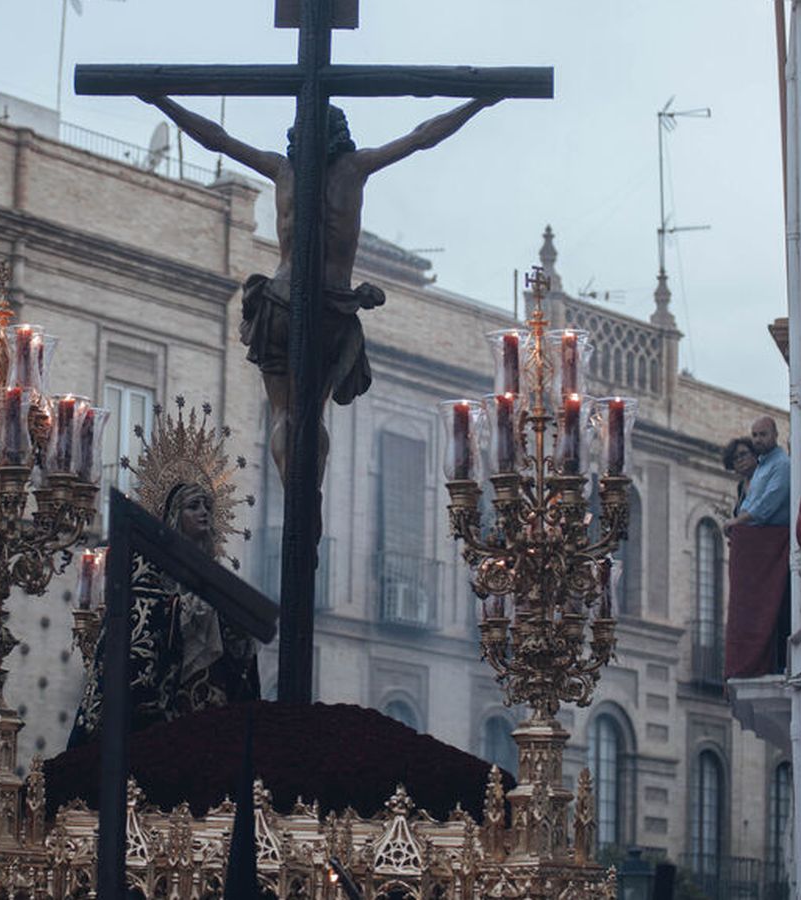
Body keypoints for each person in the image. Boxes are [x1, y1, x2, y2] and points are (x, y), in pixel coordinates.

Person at [143, 96, 498, 483]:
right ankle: (308, 497)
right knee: (313, 414)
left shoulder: (282, 170)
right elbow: (422, 137)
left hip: (279, 302)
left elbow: (217, 139)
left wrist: (161, 100)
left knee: (283, 412)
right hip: (330, 309)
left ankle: (292, 490)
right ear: (340, 135)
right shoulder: (356, 167)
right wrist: (477, 103)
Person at [68, 401, 258, 747]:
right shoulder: (148, 567)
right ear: (173, 514)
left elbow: (239, 654)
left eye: (207, 507)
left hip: (208, 712)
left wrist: (235, 626)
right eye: (193, 506)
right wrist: (182, 613)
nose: (203, 513)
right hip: (159, 712)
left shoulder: (214, 576)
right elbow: (137, 629)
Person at [724, 416, 789, 535]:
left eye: (763, 434)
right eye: (754, 435)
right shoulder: (762, 466)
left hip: (772, 537)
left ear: (775, 434)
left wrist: (738, 521)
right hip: (753, 537)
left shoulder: (782, 464)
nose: (758, 440)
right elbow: (749, 504)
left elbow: (768, 502)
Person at [721, 436, 760, 514]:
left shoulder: (766, 477)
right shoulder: (741, 487)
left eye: (743, 454)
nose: (739, 460)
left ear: (755, 454)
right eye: (735, 458)